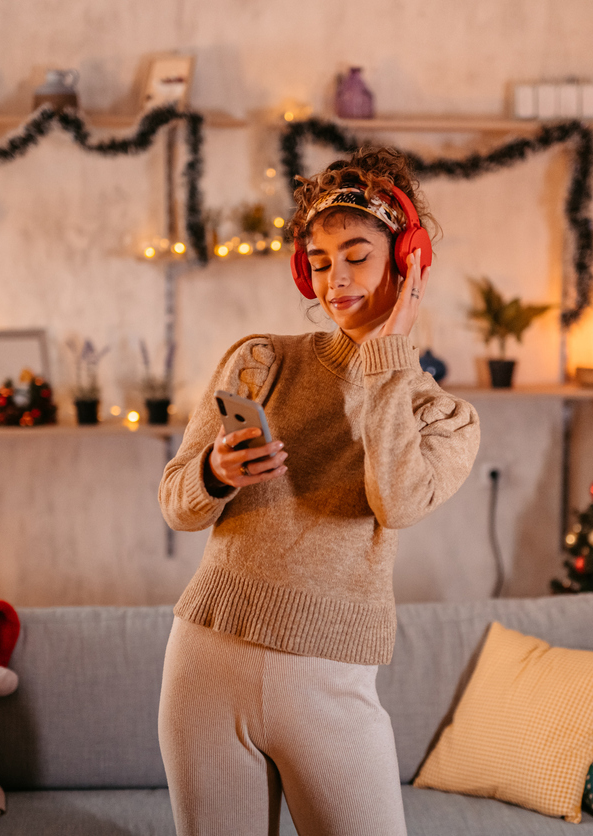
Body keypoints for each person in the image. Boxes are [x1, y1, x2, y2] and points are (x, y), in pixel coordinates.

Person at [157, 146, 480, 836]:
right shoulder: (260, 361)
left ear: (408, 260)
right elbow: (176, 503)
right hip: (207, 661)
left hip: (330, 681)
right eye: (322, 260)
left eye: (357, 255)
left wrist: (386, 358)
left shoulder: (445, 418)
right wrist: (215, 472)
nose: (335, 279)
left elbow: (395, 499)